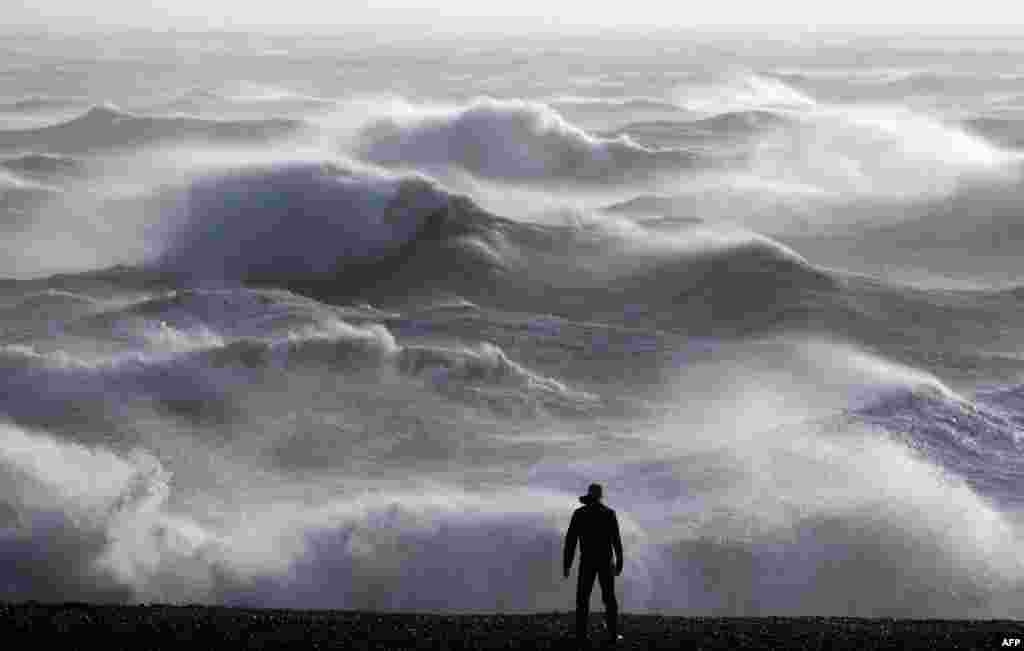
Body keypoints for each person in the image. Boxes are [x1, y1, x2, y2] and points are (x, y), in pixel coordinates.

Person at [563, 483, 623, 647]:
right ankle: (612, 635)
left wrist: (567, 564)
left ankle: (581, 636)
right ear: (600, 496)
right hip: (605, 561)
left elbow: (571, 542)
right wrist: (619, 561)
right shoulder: (609, 513)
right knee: (609, 598)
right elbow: (616, 540)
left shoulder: (580, 514)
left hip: (587, 561)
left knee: (583, 598)